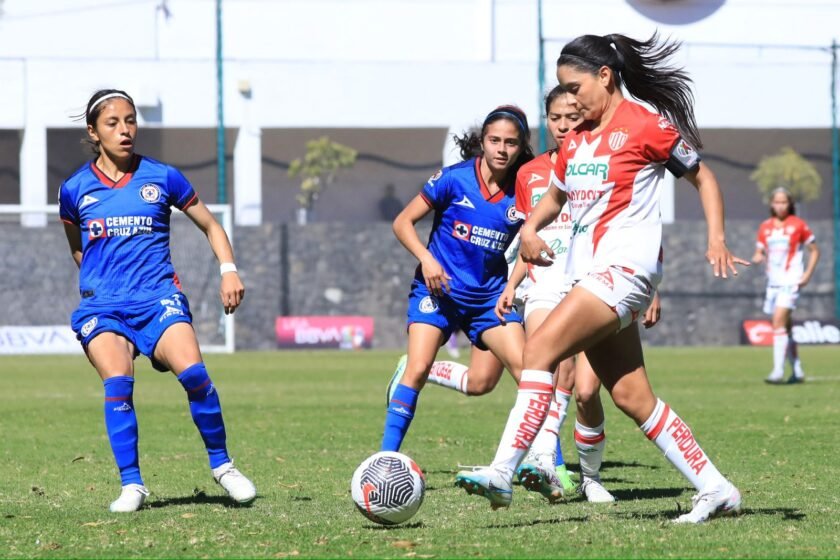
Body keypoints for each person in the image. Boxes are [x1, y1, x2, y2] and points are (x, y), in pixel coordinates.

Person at [455, 33, 748, 524]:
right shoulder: (580, 140)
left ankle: (503, 472)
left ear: (605, 77)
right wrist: (529, 227)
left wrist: (716, 238)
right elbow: (554, 197)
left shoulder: (644, 125)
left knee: (540, 349)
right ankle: (716, 488)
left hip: (625, 271)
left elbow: (704, 177)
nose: (569, 99)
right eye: (562, 91)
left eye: (575, 87)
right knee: (633, 397)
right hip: (596, 275)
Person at [59, 89, 256, 512]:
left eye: (130, 120)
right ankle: (132, 485)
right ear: (93, 132)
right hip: (104, 307)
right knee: (118, 382)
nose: (125, 130)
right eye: (113, 123)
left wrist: (229, 269)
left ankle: (223, 466)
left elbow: (210, 225)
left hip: (158, 299)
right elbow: (79, 249)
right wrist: (102, 285)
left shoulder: (163, 177)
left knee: (196, 376)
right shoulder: (74, 189)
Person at [381, 105, 535, 455]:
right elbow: (402, 223)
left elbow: (531, 244)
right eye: (494, 140)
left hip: (488, 298)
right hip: (439, 292)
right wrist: (427, 259)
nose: (501, 148)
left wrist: (511, 286)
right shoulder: (454, 178)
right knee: (417, 370)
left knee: (529, 375)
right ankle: (386, 458)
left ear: (521, 146)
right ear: (482, 141)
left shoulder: (525, 189)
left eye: (511, 142)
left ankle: (547, 464)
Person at [751, 188, 819, 384]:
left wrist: (807, 275)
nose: (780, 206)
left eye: (784, 202)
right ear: (772, 204)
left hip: (791, 281)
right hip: (773, 283)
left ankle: (777, 371)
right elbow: (760, 251)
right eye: (777, 202)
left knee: (778, 321)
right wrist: (757, 257)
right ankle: (796, 369)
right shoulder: (765, 227)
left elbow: (815, 251)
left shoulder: (798, 225)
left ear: (790, 204)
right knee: (786, 328)